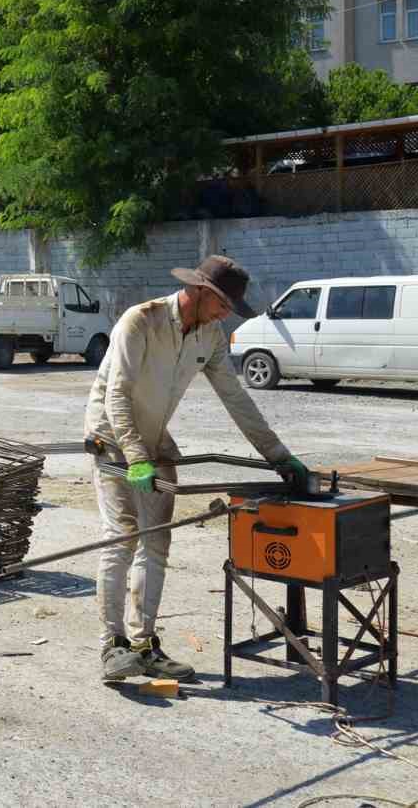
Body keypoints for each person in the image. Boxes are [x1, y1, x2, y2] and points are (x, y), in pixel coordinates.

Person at [85, 255, 309, 684]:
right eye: (223, 303)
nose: (227, 313)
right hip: (111, 438)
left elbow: (235, 398)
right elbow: (117, 394)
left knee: (157, 544)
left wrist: (278, 455)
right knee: (122, 538)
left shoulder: (210, 334)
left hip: (154, 440)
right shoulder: (140, 321)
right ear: (201, 291)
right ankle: (112, 646)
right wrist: (134, 457)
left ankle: (143, 644)